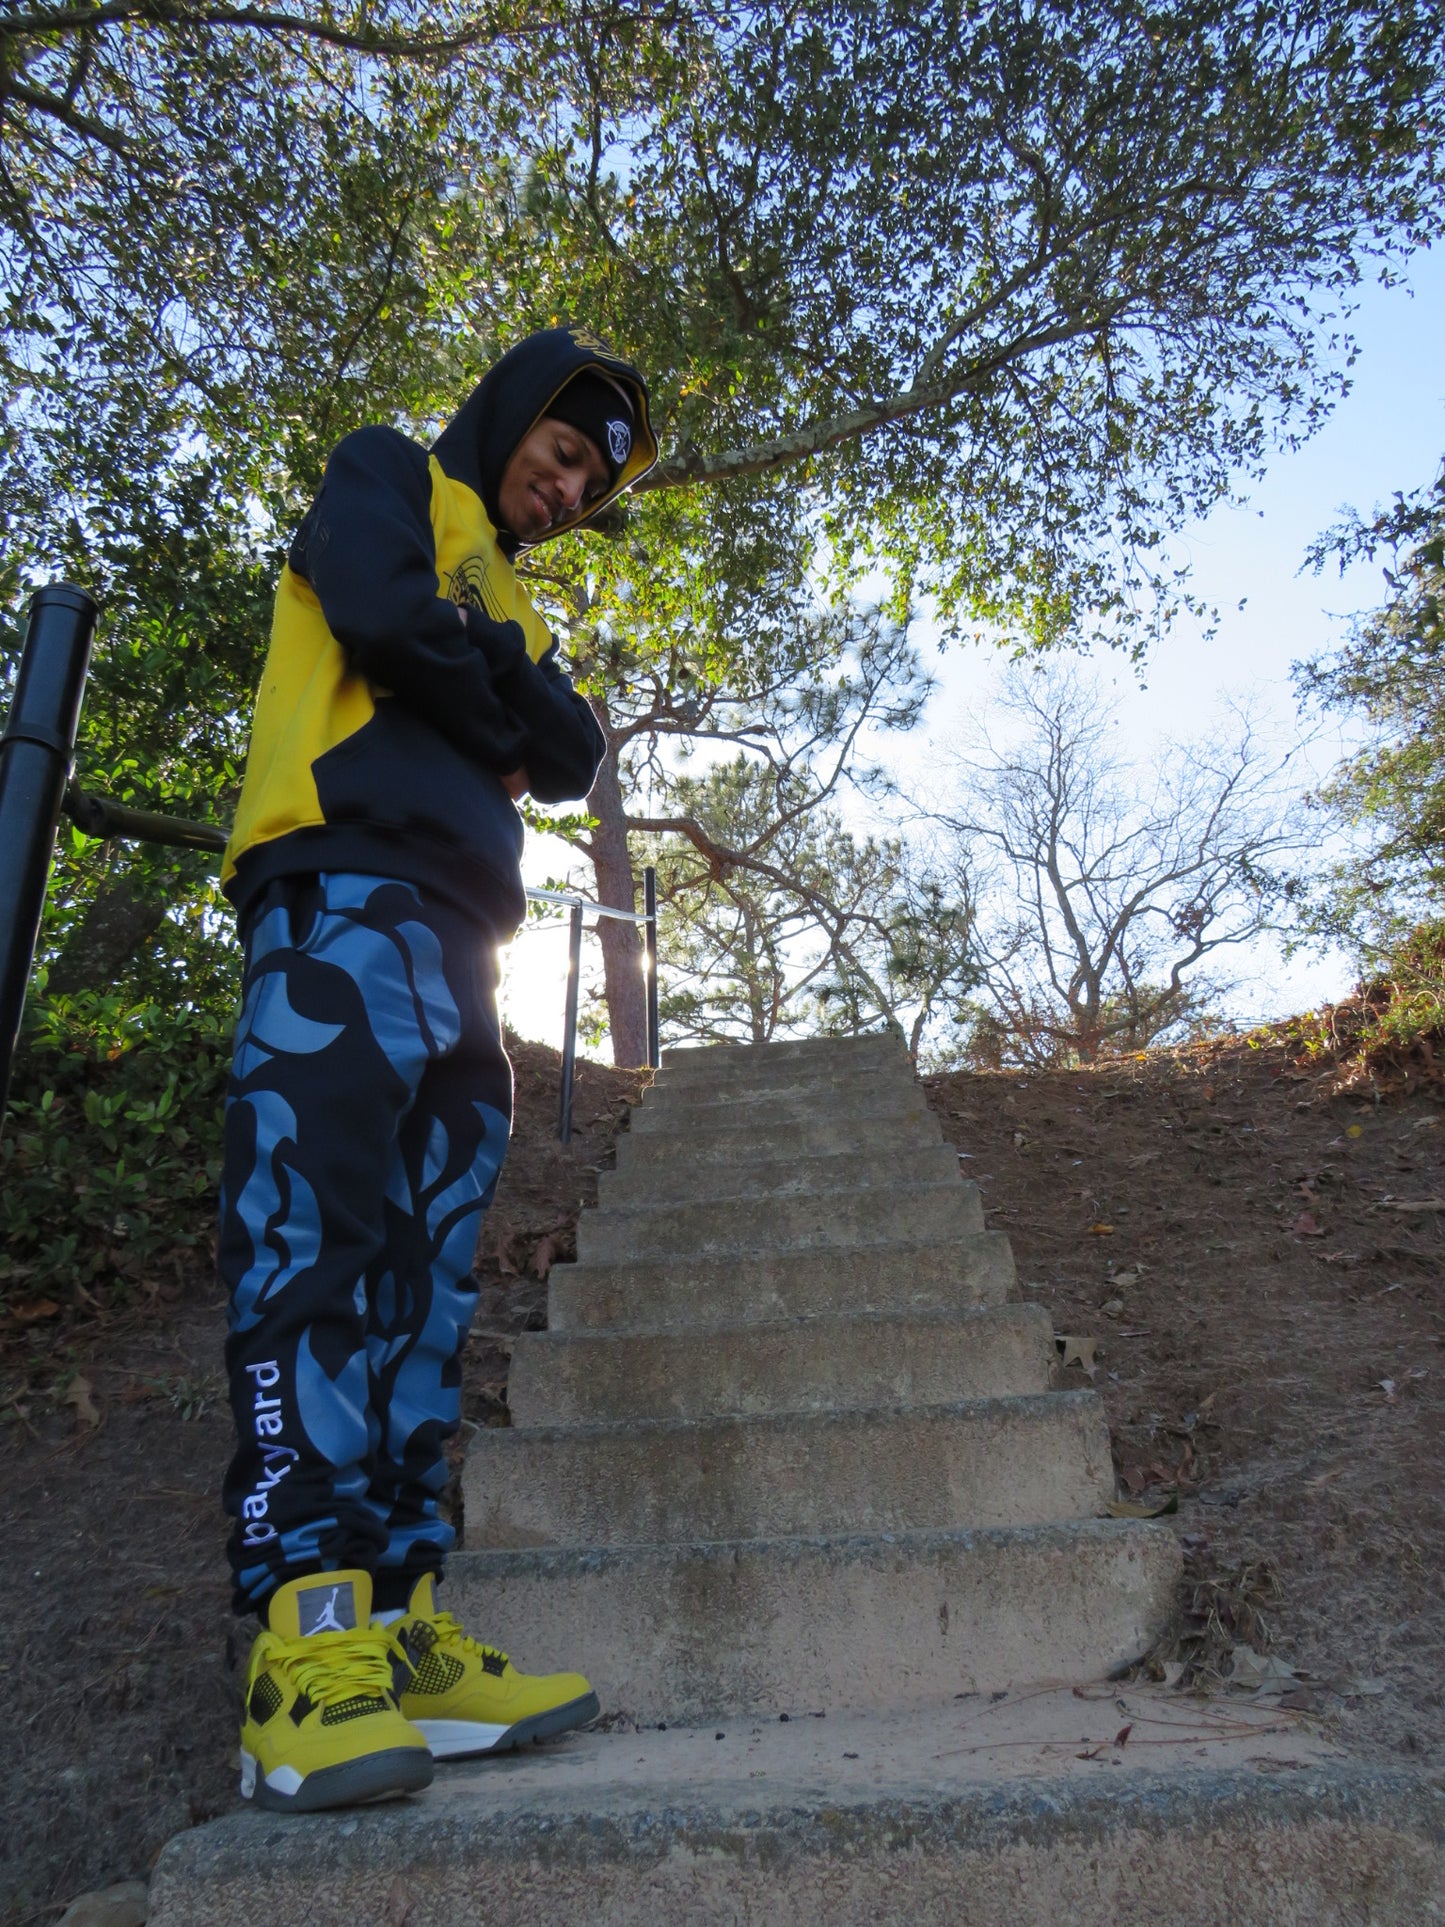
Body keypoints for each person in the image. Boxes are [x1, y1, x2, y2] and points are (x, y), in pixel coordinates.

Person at [215, 325, 657, 1813]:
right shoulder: (388, 474)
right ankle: (300, 1648)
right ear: (519, 412)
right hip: (338, 898)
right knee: (315, 1249)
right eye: (564, 450)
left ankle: (399, 1631)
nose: (570, 486)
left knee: (425, 1287)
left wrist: (488, 680)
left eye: (593, 479)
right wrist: (489, 701)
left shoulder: (523, 604)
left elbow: (576, 751)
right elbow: (383, 614)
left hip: (470, 942)